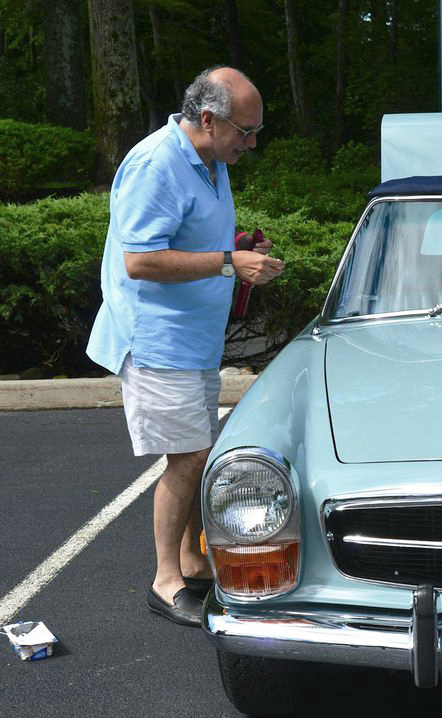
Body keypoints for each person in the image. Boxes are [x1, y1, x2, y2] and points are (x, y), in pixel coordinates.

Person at [86, 66, 284, 626]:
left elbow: (187, 237)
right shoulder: (158, 163)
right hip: (158, 339)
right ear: (207, 119)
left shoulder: (211, 161)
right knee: (188, 458)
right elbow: (140, 260)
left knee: (197, 452)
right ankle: (164, 579)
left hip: (191, 338)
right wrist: (228, 262)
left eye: (255, 131)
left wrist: (237, 247)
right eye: (245, 131)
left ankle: (192, 561)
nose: (251, 143)